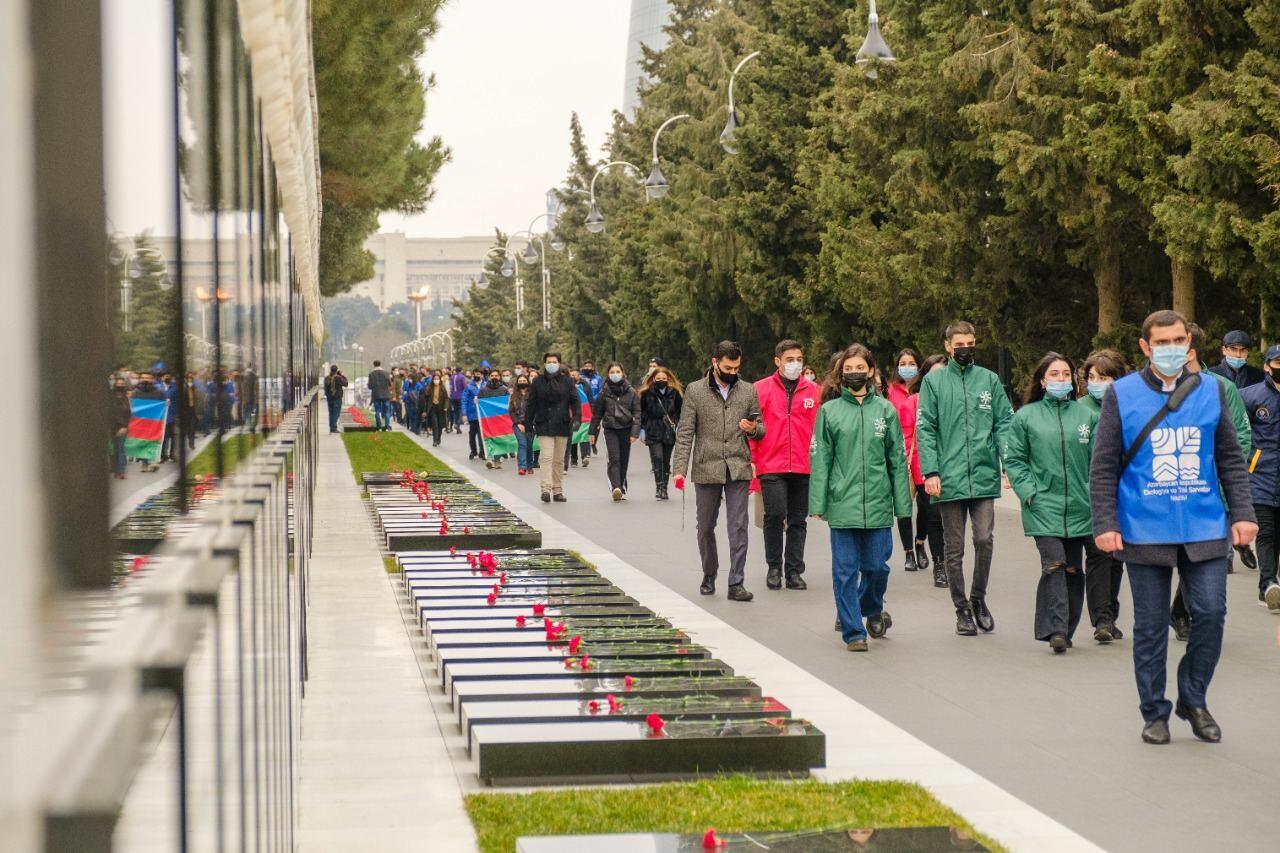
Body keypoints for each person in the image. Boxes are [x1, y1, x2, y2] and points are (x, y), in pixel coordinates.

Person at [1090, 309, 1257, 745]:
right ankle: (1154, 711)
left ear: (1190, 344)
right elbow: (1104, 466)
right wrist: (1105, 522)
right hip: (1144, 528)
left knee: (1211, 614)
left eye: (1177, 341)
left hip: (1203, 524)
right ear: (1145, 348)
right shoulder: (1122, 395)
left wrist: (1243, 514)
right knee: (1149, 627)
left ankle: (1193, 698)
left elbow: (1231, 461)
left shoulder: (1212, 391)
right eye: (1161, 343)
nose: (1170, 349)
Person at [809, 344, 913, 651]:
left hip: (879, 503)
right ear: (840, 374)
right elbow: (820, 458)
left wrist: (903, 503)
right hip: (843, 502)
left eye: (860, 368)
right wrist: (818, 502)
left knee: (877, 567)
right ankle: (854, 631)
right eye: (848, 368)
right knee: (845, 568)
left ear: (870, 371)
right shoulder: (829, 412)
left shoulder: (885, 410)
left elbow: (896, 458)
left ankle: (870, 607)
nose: (855, 373)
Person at [916, 321, 1014, 636]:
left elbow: (1004, 423)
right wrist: (930, 471)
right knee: (953, 547)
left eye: (969, 343)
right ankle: (961, 609)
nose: (965, 349)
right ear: (948, 346)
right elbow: (926, 427)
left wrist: (1009, 464)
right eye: (959, 344)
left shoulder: (989, 379)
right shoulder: (934, 383)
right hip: (948, 477)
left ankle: (979, 598)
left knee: (984, 539)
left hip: (983, 474)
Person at [1003, 353, 1099, 653]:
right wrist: (1029, 491)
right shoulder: (1025, 417)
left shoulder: (1087, 417)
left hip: (1081, 506)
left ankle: (1066, 627)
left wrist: (1093, 491)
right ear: (1042, 380)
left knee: (1073, 568)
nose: (1060, 379)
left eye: (1065, 374)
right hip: (1043, 504)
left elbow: (1099, 460)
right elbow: (1015, 460)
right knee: (1054, 564)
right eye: (1054, 374)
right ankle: (1055, 629)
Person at [1168, 324, 1255, 637]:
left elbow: (1240, 435)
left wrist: (1226, 474)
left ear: (1192, 350)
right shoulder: (1154, 388)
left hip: (1211, 490)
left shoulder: (1220, 387)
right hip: (1170, 489)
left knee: (1204, 554)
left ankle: (1188, 613)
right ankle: (1183, 609)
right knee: (1184, 553)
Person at [672, 341, 765, 602]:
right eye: (727, 367)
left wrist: (752, 428)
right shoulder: (695, 390)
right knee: (705, 526)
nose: (732, 371)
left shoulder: (748, 391)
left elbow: (761, 428)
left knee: (738, 525)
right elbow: (686, 432)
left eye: (736, 367)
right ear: (715, 362)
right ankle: (709, 572)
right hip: (707, 466)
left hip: (737, 466)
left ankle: (736, 581)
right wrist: (679, 468)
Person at [750, 339, 820, 591]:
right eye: (790, 360)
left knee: (799, 520)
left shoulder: (814, 391)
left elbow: (820, 430)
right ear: (777, 361)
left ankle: (793, 570)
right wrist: (753, 459)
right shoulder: (760, 389)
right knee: (775, 514)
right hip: (772, 464)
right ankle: (774, 568)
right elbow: (752, 428)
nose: (795, 364)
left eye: (799, 359)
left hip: (803, 464)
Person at [1078, 349, 1129, 642]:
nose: (1097, 383)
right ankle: (1103, 620)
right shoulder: (1080, 409)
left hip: (1123, 494)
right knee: (1099, 555)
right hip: (1090, 496)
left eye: (1105, 377)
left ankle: (1110, 611)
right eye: (1093, 377)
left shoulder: (1127, 407)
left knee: (1115, 558)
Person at [1243, 344, 1280, 611]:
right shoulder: (1250, 396)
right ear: (1267, 366)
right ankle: (1269, 582)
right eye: (1278, 363)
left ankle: (1265, 586)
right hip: (1260, 476)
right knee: (1266, 532)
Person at [886, 348, 924, 572]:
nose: (907, 367)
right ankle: (909, 551)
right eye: (903, 363)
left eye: (912, 363)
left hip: (924, 456)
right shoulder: (891, 392)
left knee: (928, 509)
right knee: (904, 506)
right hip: (901, 457)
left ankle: (921, 542)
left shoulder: (927, 390)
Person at [523, 353, 579, 502]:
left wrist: (577, 418)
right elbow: (531, 403)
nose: (552, 364)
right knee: (546, 457)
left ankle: (558, 490)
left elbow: (575, 401)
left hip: (562, 423)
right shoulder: (537, 382)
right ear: (544, 364)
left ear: (559, 364)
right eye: (549, 361)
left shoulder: (567, 382)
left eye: (554, 361)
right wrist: (527, 423)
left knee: (559, 460)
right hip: (544, 424)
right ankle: (546, 489)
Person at [917, 354, 949, 588]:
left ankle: (951, 561)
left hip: (954, 467)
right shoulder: (915, 401)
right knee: (934, 517)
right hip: (926, 467)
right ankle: (940, 564)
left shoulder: (958, 399)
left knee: (952, 521)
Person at [590, 362, 642, 501]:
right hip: (610, 429)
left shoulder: (631, 392)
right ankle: (616, 487)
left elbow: (637, 413)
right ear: (608, 374)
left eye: (617, 371)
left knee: (624, 459)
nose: (615, 374)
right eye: (612, 372)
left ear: (623, 373)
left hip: (626, 429)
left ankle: (622, 488)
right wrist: (591, 433)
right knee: (614, 458)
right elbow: (597, 414)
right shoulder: (604, 392)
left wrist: (634, 433)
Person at [639, 365, 684, 499]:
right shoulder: (647, 393)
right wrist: (642, 428)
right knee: (657, 458)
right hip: (652, 429)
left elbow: (680, 411)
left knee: (666, 459)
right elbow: (641, 412)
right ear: (653, 379)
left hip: (669, 430)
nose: (661, 380)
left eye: (664, 378)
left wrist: (678, 425)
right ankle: (659, 487)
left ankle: (664, 488)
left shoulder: (674, 393)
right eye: (658, 378)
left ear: (668, 379)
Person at [131, 370, 168, 472]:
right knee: (143, 441)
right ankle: (144, 463)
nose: (145, 380)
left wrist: (167, 403)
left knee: (154, 440)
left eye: (147, 378)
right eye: (143, 378)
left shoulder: (159, 392)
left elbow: (164, 403)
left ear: (152, 379)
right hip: (141, 421)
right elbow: (132, 406)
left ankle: (154, 461)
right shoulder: (136, 392)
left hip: (155, 421)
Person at [479, 371, 510, 468]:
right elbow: (479, 404)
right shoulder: (483, 390)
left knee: (499, 438)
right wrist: (476, 402)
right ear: (489, 377)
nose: (494, 377)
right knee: (489, 439)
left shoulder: (504, 390)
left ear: (499, 377)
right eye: (492, 375)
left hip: (500, 419)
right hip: (488, 419)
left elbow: (508, 403)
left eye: (496, 375)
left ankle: (498, 460)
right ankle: (490, 458)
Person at [509, 373, 533, 475]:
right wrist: (518, 423)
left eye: (524, 381)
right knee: (522, 444)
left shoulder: (533, 394)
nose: (522, 383)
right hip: (518, 424)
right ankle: (522, 467)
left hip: (531, 424)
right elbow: (511, 412)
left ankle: (530, 466)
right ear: (517, 383)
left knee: (529, 446)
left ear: (527, 382)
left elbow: (536, 410)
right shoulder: (513, 396)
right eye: (520, 381)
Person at [421, 370, 449, 447]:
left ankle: (438, 438)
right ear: (433, 380)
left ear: (439, 380)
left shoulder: (442, 388)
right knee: (434, 424)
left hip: (440, 408)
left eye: (437, 379)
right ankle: (435, 440)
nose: (436, 380)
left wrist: (446, 407)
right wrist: (425, 410)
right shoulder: (430, 388)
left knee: (440, 425)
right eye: (434, 379)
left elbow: (446, 398)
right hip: (432, 407)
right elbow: (426, 400)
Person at [112, 376, 132, 479]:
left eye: (122, 384)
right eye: (118, 384)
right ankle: (115, 470)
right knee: (113, 450)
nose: (120, 385)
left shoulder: (127, 398)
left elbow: (129, 413)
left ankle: (121, 471)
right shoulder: (109, 396)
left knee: (121, 449)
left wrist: (124, 426)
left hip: (123, 427)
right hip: (111, 427)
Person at [462, 370, 484, 460]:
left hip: (483, 414)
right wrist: (464, 414)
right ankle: (473, 451)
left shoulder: (486, 385)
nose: (476, 375)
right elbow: (464, 400)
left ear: (482, 375)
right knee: (472, 434)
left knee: (481, 434)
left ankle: (482, 451)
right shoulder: (469, 386)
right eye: (475, 374)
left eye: (478, 374)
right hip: (472, 414)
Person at [368, 360, 392, 431]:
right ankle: (387, 427)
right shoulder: (386, 373)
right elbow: (390, 384)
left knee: (377, 411)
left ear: (374, 365)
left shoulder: (371, 374)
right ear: (380, 364)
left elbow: (369, 386)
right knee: (387, 411)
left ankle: (379, 427)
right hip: (386, 394)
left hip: (376, 395)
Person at [324, 365, 347, 433]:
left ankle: (332, 428)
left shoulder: (327, 378)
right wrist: (342, 375)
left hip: (329, 398)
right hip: (337, 398)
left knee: (331, 413)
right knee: (336, 413)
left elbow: (326, 388)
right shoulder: (338, 378)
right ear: (337, 370)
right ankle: (333, 428)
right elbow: (346, 383)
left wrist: (328, 395)